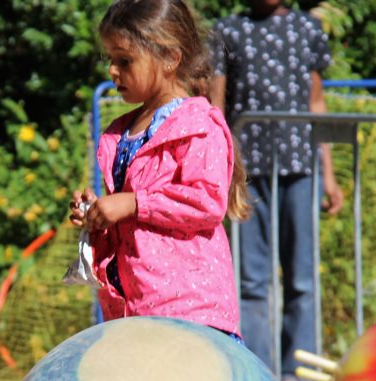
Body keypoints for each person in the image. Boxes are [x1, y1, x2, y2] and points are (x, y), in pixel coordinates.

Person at [69, 0, 248, 339]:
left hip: (190, 315)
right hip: (136, 309)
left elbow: (206, 202)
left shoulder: (199, 125)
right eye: (110, 59)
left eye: (125, 60)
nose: (112, 70)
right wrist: (100, 215)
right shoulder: (123, 132)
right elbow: (138, 224)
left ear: (170, 58)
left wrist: (133, 203)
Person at [209, 0, 343, 381]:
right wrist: (221, 167)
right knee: (251, 278)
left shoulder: (306, 29)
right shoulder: (228, 31)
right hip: (248, 173)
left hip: (300, 168)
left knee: (301, 274)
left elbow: (316, 103)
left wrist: (329, 176)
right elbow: (217, 105)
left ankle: (298, 370)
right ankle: (259, 370)